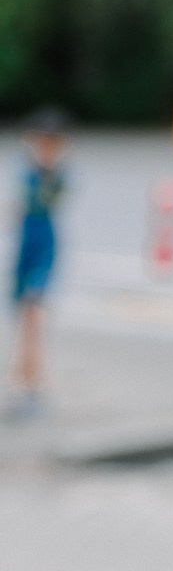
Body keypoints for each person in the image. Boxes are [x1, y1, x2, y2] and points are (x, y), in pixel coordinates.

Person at [6, 109, 68, 419]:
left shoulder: (55, 176)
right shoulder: (28, 170)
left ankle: (33, 386)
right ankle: (22, 383)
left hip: (43, 248)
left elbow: (50, 197)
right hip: (25, 249)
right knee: (22, 317)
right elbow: (17, 209)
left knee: (33, 314)